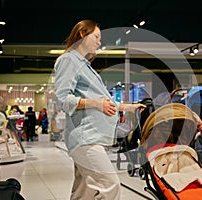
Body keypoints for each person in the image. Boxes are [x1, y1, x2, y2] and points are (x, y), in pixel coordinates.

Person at [54, 19, 145, 200]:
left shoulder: (84, 65)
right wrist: (95, 103)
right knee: (110, 185)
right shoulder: (68, 60)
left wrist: (128, 107)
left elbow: (105, 101)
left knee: (84, 191)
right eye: (96, 36)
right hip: (85, 137)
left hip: (90, 136)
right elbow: (63, 99)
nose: (99, 42)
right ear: (82, 34)